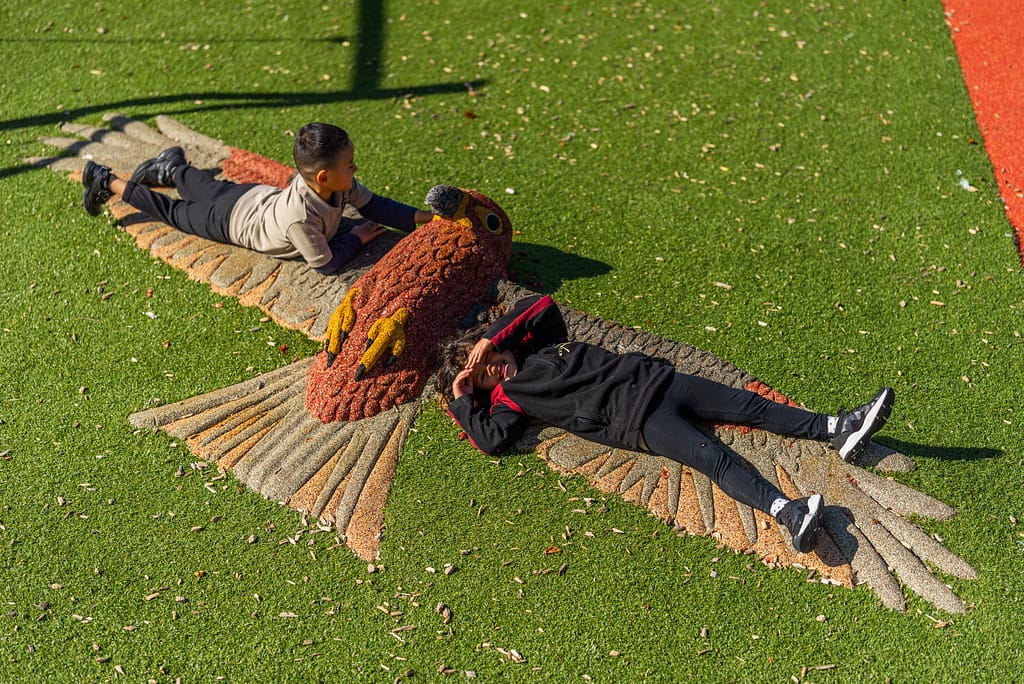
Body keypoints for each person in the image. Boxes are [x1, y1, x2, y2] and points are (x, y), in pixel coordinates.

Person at [435, 294, 895, 553]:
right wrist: (462, 398)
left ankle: (837, 427)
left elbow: (544, 305)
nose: (492, 369)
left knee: (749, 406)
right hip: (639, 422)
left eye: (487, 360)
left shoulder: (540, 342)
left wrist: (492, 337)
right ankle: (788, 512)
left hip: (660, 381)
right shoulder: (507, 401)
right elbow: (491, 440)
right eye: (481, 376)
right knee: (715, 461)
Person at [80, 122, 434, 275]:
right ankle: (105, 179)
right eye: (350, 164)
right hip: (231, 223)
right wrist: (355, 238)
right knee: (173, 212)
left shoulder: (340, 185)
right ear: (323, 176)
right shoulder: (301, 219)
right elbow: (325, 263)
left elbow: (377, 206)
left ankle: (172, 170)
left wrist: (427, 219)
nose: (355, 169)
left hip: (252, 197)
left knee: (204, 186)